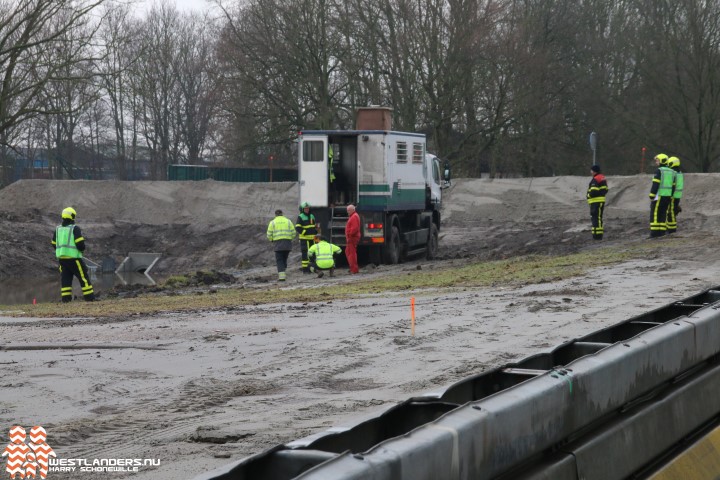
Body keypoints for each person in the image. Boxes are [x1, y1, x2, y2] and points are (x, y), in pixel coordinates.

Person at [51, 207, 96, 302]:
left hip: (62, 259)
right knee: (83, 277)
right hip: (74, 259)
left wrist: (62, 251)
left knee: (66, 279)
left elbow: (54, 243)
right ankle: (90, 298)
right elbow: (80, 244)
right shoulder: (75, 228)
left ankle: (66, 300)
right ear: (72, 216)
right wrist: (82, 249)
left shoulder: (58, 229)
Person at [266, 209, 296, 281]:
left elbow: (269, 234)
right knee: (284, 258)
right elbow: (293, 232)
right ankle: (283, 271)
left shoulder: (272, 222)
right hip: (287, 243)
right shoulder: (288, 221)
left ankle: (282, 277)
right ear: (282, 214)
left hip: (278, 243)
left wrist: (271, 240)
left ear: (275, 215)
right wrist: (290, 238)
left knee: (279, 260)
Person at [649, 154, 674, 238]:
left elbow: (655, 183)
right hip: (667, 196)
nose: (656, 162)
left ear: (662, 161)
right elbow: (673, 185)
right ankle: (662, 232)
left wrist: (652, 194)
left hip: (659, 196)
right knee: (663, 214)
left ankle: (654, 233)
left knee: (655, 214)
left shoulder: (659, 171)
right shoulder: (672, 171)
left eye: (657, 160)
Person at [587, 165, 608, 240]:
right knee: (599, 218)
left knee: (595, 218)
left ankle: (597, 236)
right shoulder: (602, 177)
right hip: (601, 200)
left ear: (594, 171)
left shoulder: (595, 179)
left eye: (591, 170)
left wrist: (588, 195)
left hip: (595, 201)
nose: (590, 172)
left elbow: (593, 191)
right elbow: (605, 189)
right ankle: (598, 234)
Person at [295, 202, 318, 273]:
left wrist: (316, 231)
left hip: (313, 239)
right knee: (305, 254)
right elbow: (298, 227)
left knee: (312, 254)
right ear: (302, 209)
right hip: (304, 239)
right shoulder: (300, 216)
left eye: (308, 208)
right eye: (305, 208)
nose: (307, 210)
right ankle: (305, 269)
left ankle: (312, 268)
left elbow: (315, 226)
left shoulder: (312, 216)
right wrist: (305, 232)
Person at [666, 156, 684, 234]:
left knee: (671, 212)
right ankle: (670, 228)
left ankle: (672, 229)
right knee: (672, 211)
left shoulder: (673, 173)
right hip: (677, 195)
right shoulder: (679, 172)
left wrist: (670, 195)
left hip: (673, 195)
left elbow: (672, 185)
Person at [345, 204, 360, 274]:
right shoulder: (353, 216)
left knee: (351, 254)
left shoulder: (354, 217)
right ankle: (352, 268)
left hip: (352, 238)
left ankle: (354, 269)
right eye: (347, 210)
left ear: (353, 210)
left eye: (349, 210)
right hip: (351, 238)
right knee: (348, 252)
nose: (348, 212)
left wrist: (349, 235)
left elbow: (355, 228)